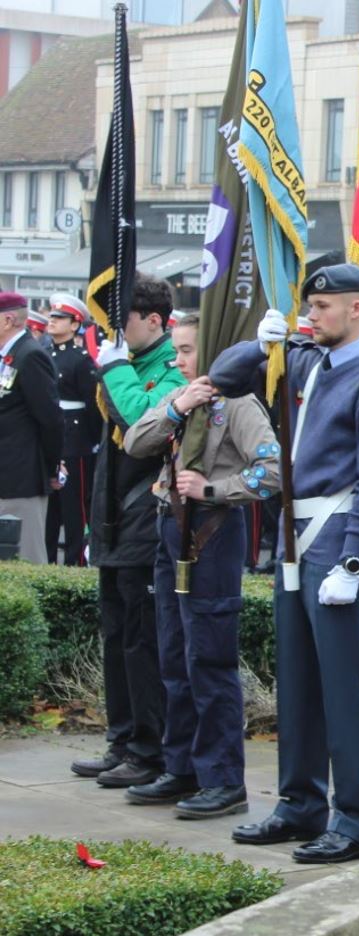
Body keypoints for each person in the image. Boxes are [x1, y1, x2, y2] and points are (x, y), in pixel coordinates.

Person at [213, 264, 359, 864]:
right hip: (293, 540)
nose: (311, 316)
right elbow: (226, 379)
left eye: (322, 307)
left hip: (334, 536)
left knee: (343, 691)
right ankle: (300, 803)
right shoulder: (306, 362)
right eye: (308, 306)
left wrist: (353, 561)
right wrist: (258, 343)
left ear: (357, 310)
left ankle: (355, 820)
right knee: (295, 682)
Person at [121, 311, 279, 819]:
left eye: (186, 351)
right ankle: (182, 766)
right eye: (176, 351)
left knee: (208, 661)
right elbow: (134, 442)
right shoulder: (184, 396)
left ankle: (223, 780)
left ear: (211, 352)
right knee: (173, 656)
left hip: (212, 531)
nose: (177, 360)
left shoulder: (237, 404)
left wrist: (213, 489)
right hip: (172, 531)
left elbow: (274, 471)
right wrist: (176, 409)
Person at [71, 277, 186, 787]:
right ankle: (122, 741)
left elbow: (143, 423)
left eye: (124, 323)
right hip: (117, 518)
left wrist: (115, 367)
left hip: (147, 519)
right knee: (117, 637)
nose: (112, 333)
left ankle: (149, 749)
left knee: (143, 642)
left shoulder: (167, 367)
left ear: (155, 321)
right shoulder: (132, 364)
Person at [0, 291, 63, 563]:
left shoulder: (29, 355)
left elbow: (50, 419)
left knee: (25, 556)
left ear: (7, 321)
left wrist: (50, 469)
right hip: (7, 474)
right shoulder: (9, 355)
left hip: (21, 477)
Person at [44, 294, 100, 566]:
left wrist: (92, 441)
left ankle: (75, 563)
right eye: (52, 317)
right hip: (50, 437)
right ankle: (46, 561)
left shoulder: (81, 359)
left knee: (73, 508)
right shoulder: (44, 354)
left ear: (75, 324)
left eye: (60, 318)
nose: (52, 321)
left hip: (74, 440)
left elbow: (92, 405)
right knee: (49, 509)